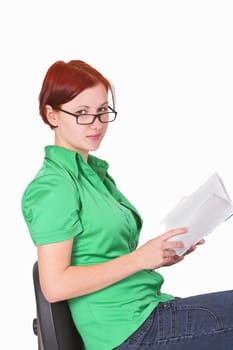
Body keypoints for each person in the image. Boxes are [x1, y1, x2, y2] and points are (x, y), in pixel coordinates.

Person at [21, 59, 233, 350]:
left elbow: (105, 256)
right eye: (82, 113)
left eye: (102, 111)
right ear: (52, 115)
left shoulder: (93, 175)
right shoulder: (54, 186)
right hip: (127, 332)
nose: (96, 124)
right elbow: (55, 285)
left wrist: (161, 255)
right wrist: (141, 259)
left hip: (146, 310)